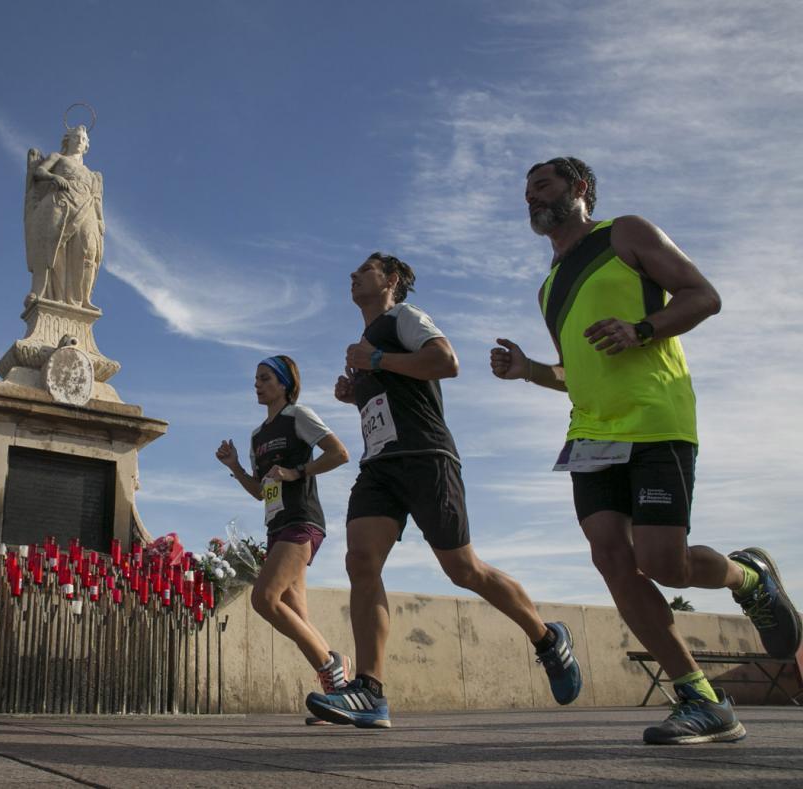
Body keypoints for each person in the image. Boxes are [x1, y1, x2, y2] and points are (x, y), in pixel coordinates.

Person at [490, 156, 800, 745]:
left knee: (662, 563)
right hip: (590, 432)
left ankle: (748, 577)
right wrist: (530, 369)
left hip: (655, 419)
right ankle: (701, 699)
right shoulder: (549, 285)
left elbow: (702, 296)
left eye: (543, 185)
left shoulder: (624, 233)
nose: (530, 198)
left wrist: (641, 329)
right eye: (526, 191)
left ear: (579, 188)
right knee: (611, 558)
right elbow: (572, 371)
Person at [306, 253, 582, 729]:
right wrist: (359, 394)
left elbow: (445, 361)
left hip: (427, 458)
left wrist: (375, 361)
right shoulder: (365, 342)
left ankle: (546, 637)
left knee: (463, 569)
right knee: (361, 561)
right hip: (380, 466)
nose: (352, 275)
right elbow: (394, 397)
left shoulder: (404, 318)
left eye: (365, 270)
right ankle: (370, 690)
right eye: (352, 271)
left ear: (391, 280)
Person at [215, 355, 352, 723]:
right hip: (276, 528)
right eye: (255, 379)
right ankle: (338, 695)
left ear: (284, 383)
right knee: (299, 615)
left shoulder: (299, 416)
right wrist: (234, 467)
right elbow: (261, 492)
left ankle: (331, 666)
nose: (257, 385)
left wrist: (297, 471)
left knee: (264, 598)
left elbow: (339, 453)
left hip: (302, 521)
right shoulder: (257, 436)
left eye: (264, 378)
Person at [23, 124, 105, 310]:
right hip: (62, 203)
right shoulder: (57, 158)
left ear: (86, 146)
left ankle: (83, 299)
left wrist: (100, 221)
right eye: (77, 137)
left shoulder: (93, 174)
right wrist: (54, 178)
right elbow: (39, 171)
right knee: (56, 249)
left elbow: (97, 199)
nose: (80, 141)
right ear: (68, 140)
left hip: (87, 208)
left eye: (83, 139)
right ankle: (54, 296)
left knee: (88, 251)